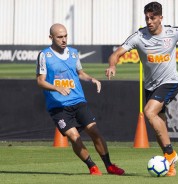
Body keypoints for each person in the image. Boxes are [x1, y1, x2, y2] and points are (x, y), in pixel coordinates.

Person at [105, 2, 178, 177]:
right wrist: (112, 65)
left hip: (170, 82)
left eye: (152, 18)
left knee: (149, 113)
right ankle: (169, 166)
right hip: (150, 86)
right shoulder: (139, 36)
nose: (149, 21)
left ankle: (171, 155)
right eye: (147, 18)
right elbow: (116, 53)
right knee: (160, 127)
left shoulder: (172, 33)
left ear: (160, 18)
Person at [36, 23, 125, 176]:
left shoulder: (73, 53)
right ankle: (92, 166)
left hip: (77, 101)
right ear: (51, 38)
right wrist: (57, 88)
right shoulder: (45, 55)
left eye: (65, 36)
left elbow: (80, 73)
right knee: (74, 137)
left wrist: (92, 79)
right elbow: (40, 81)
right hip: (58, 106)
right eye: (59, 37)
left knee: (94, 131)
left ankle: (109, 165)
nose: (64, 40)